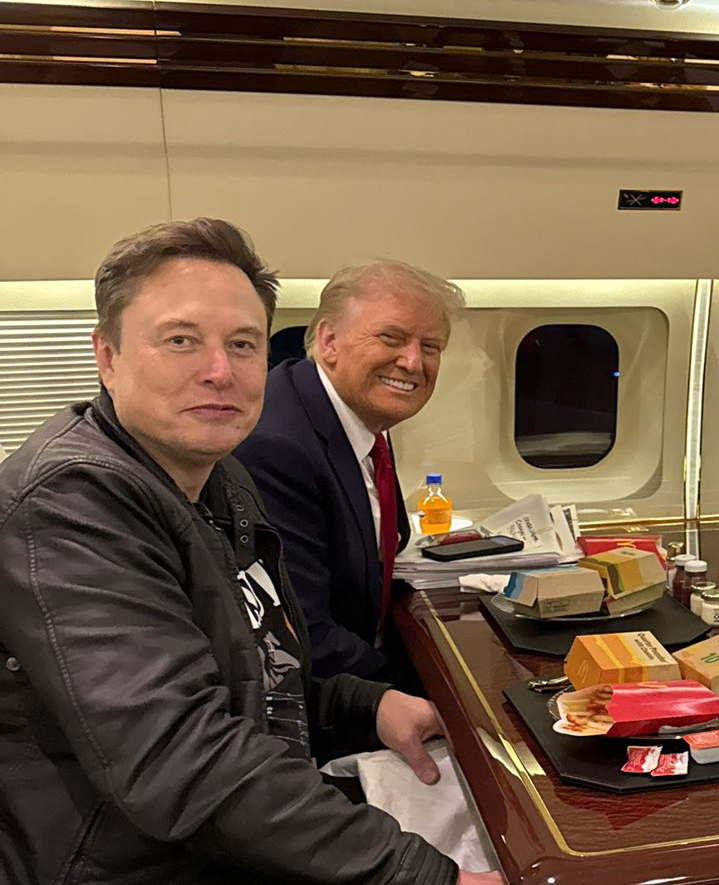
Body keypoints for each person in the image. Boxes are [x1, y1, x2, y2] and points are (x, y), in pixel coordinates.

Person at [0, 219, 498, 884]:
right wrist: (427, 877)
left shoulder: (220, 479)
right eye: (181, 340)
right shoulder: (71, 502)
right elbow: (183, 759)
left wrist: (365, 705)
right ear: (107, 356)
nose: (219, 371)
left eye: (242, 344)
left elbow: (259, 667)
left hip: (225, 826)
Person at [236, 261, 462, 681]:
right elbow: (303, 635)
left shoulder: (361, 419)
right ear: (329, 341)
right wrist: (423, 689)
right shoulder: (280, 448)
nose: (413, 362)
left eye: (430, 347)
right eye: (391, 338)